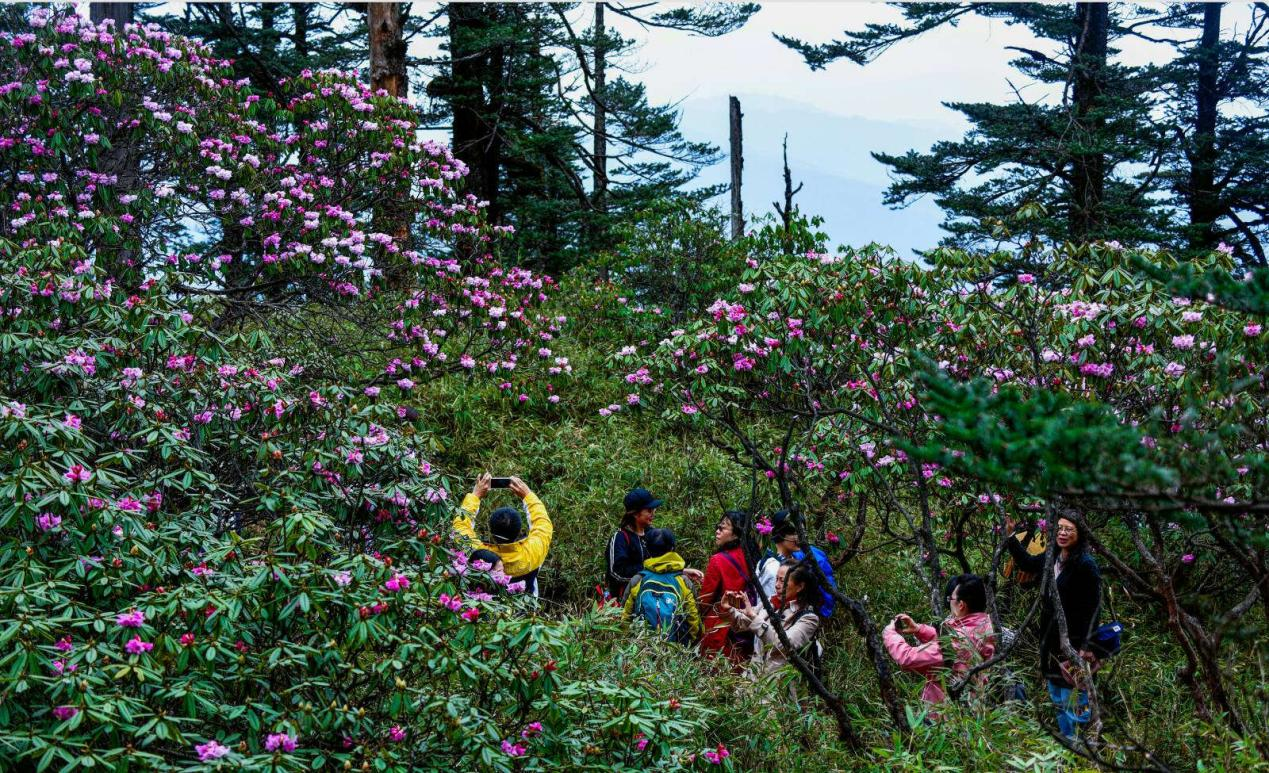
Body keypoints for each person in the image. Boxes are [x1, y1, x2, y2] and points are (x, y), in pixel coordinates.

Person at [1005, 515, 1102, 738]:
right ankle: (1068, 742)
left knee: (1075, 696)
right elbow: (1028, 563)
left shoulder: (1086, 565)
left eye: (1069, 529)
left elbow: (1094, 608)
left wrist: (1087, 646)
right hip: (1051, 642)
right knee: (1057, 695)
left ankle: (1079, 746)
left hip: (1075, 643)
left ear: (1080, 534)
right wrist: (1011, 536)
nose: (1062, 533)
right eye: (1060, 528)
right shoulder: (1054, 557)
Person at [882, 573, 996, 710]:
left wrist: (890, 634)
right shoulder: (985, 625)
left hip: (945, 719)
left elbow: (908, 658)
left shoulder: (960, 641)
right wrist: (919, 630)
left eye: (951, 598)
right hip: (971, 710)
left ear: (961, 605)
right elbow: (948, 648)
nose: (949, 601)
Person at [720, 560, 822, 684]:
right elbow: (742, 623)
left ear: (800, 587)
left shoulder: (809, 618)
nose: (777, 585)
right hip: (753, 678)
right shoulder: (771, 602)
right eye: (776, 579)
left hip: (778, 687)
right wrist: (728, 609)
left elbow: (782, 645)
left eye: (783, 581)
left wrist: (753, 616)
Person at [453, 474, 552, 597]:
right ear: (519, 530)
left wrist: (475, 495)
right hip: (525, 612)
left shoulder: (477, 553)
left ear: (490, 529)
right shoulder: (532, 550)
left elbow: (459, 527)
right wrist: (528, 495)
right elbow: (543, 523)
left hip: (483, 609)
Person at [605, 487, 701, 600]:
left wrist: (682, 571)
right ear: (635, 514)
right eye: (649, 510)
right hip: (628, 600)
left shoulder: (652, 534)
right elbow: (617, 573)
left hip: (655, 597)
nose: (653, 514)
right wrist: (648, 572)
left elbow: (662, 563)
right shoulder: (620, 538)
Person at [622, 528, 702, 645]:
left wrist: (628, 643)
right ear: (672, 549)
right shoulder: (683, 582)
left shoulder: (638, 580)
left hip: (641, 648)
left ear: (648, 550)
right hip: (675, 648)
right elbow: (693, 618)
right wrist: (690, 643)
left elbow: (625, 615)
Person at [699, 510, 757, 664]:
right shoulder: (752, 556)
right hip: (746, 623)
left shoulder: (718, 560)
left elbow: (705, 599)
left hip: (719, 625)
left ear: (736, 534)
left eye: (722, 528)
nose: (717, 531)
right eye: (717, 527)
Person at [758, 517, 837, 619]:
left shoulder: (795, 557)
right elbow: (773, 602)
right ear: (781, 534)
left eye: (802, 532)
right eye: (795, 533)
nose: (800, 537)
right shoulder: (774, 567)